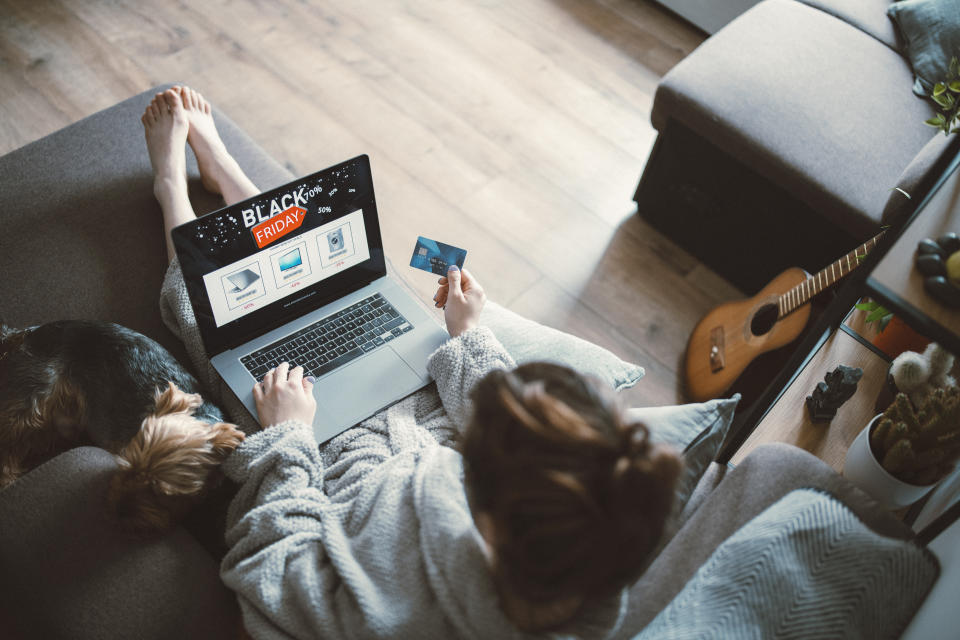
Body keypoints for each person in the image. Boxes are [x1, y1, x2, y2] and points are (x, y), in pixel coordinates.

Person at [144, 87, 683, 639]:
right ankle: (228, 173)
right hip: (421, 396)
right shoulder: (583, 546)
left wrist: (287, 439)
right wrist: (468, 333)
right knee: (333, 280)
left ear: (491, 522)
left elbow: (275, 572)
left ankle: (171, 189)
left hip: (321, 439)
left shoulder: (397, 617)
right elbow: (504, 426)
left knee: (205, 316)